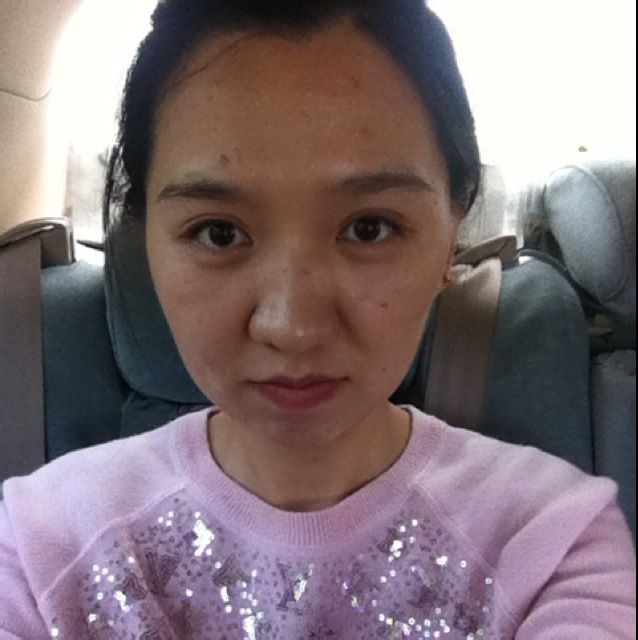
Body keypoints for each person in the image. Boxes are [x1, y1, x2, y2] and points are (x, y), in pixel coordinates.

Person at [0, 1, 635, 638]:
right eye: (219, 233)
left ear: (453, 231)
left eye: (370, 228)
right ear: (145, 235)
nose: (292, 327)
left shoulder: (551, 547)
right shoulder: (39, 551)